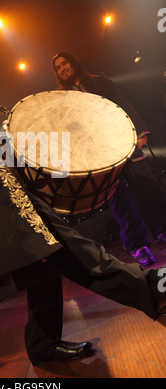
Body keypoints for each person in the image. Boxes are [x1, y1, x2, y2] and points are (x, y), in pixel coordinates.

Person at [0, 0, 166, 366]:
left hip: (13, 195)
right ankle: (152, 293)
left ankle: (46, 346)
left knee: (62, 257)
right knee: (64, 259)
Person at [51, 52, 166, 267]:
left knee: (147, 185)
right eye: (58, 67)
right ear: (57, 73)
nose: (63, 68)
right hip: (97, 154)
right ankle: (137, 246)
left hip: (123, 139)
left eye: (65, 62)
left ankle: (162, 229)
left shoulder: (99, 82)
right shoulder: (62, 98)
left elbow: (123, 104)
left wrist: (140, 133)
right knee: (118, 199)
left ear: (73, 62)